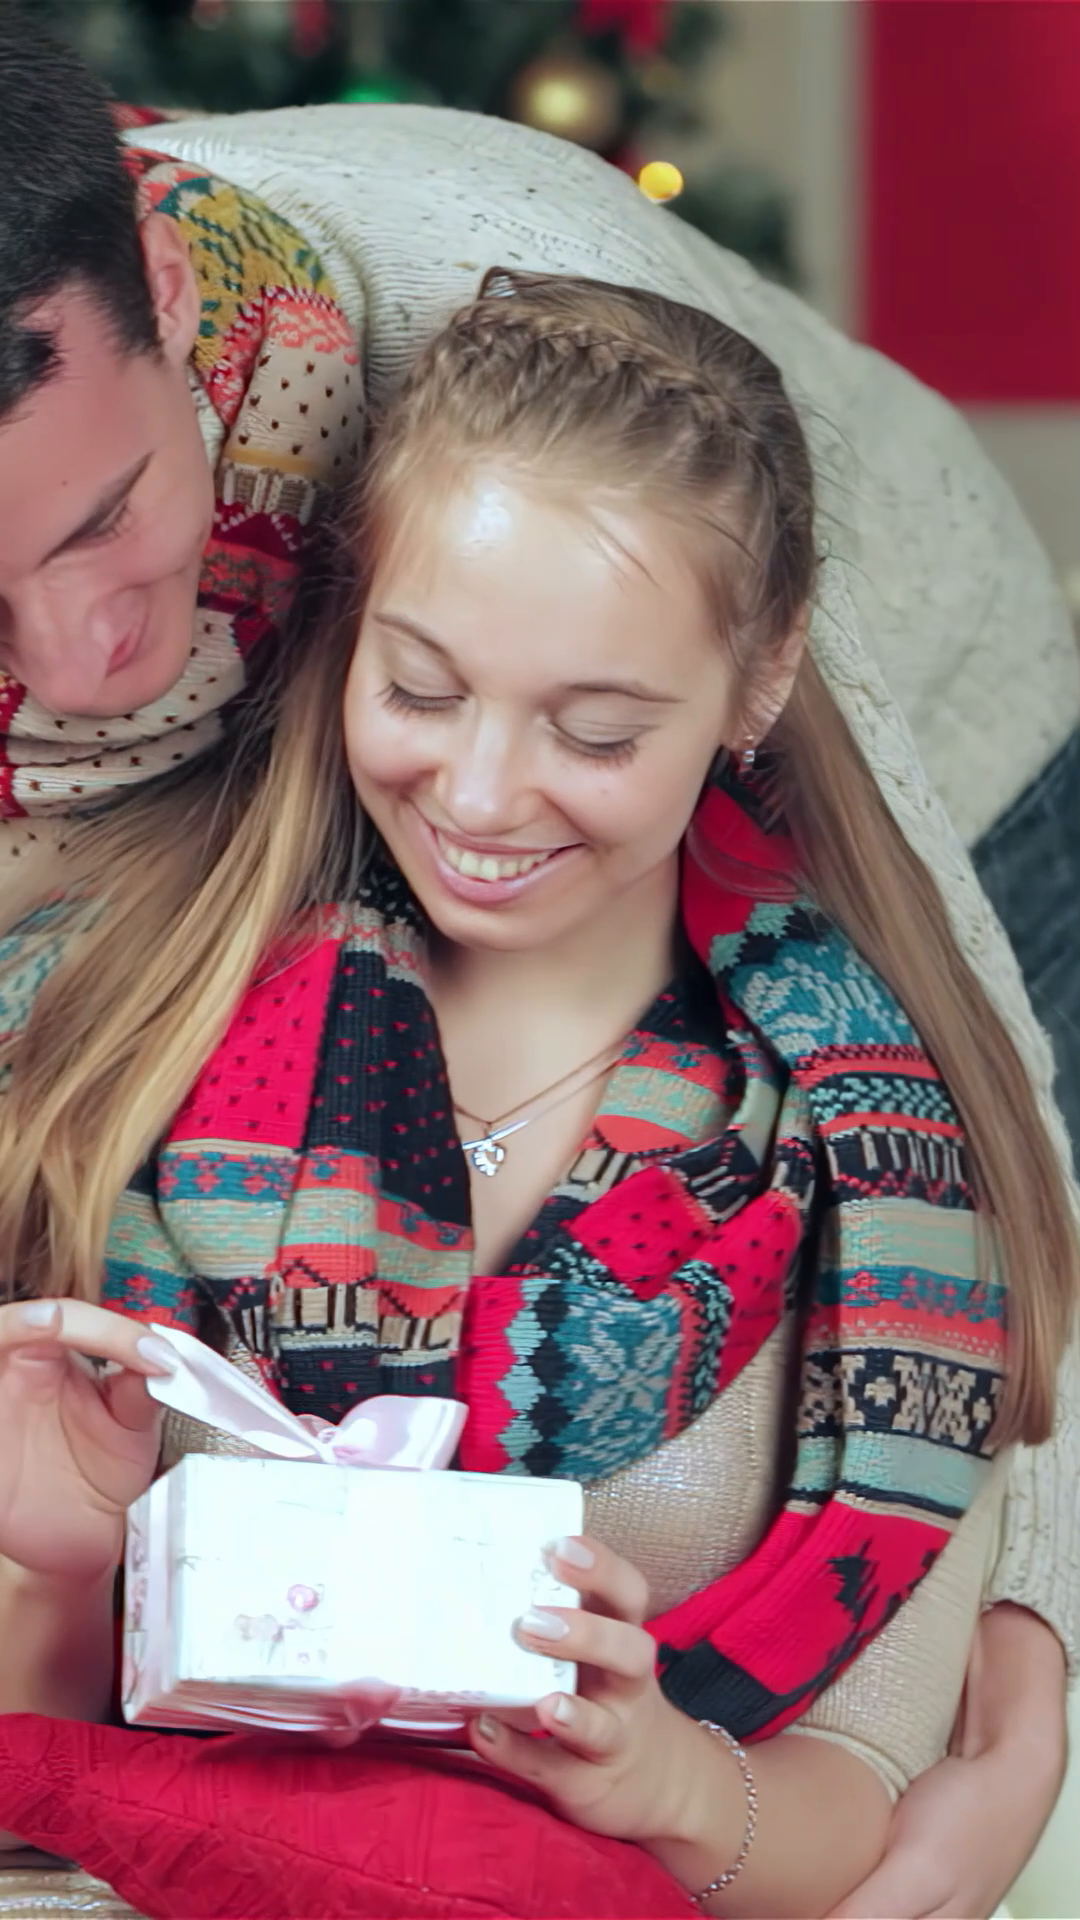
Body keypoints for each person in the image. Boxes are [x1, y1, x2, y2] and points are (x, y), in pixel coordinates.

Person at [0, 11, 1076, 1912]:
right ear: (356, 635)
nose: (77, 660)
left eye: (105, 518)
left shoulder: (851, 1131)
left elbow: (985, 1184)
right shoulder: (150, 1049)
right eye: (423, 691)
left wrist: (1024, 1677)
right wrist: (63, 1571)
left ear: (164, 296)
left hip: (968, 735)